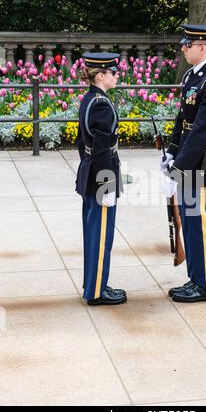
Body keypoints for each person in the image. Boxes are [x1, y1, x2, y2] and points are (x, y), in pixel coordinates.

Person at [160, 25, 206, 302]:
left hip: (203, 160)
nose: (183, 48)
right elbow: (183, 120)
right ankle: (195, 279)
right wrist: (171, 152)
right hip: (188, 157)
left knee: (201, 221)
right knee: (189, 222)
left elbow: (201, 131)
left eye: (187, 44)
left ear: (203, 46)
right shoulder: (192, 77)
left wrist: (177, 168)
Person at [76, 52, 126, 306]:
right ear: (100, 75)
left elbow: (82, 142)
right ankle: (97, 290)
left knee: (93, 230)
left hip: (91, 173)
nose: (117, 76)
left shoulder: (90, 99)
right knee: (101, 234)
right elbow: (102, 147)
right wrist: (107, 185)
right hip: (101, 177)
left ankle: (92, 282)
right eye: (113, 72)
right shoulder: (101, 103)